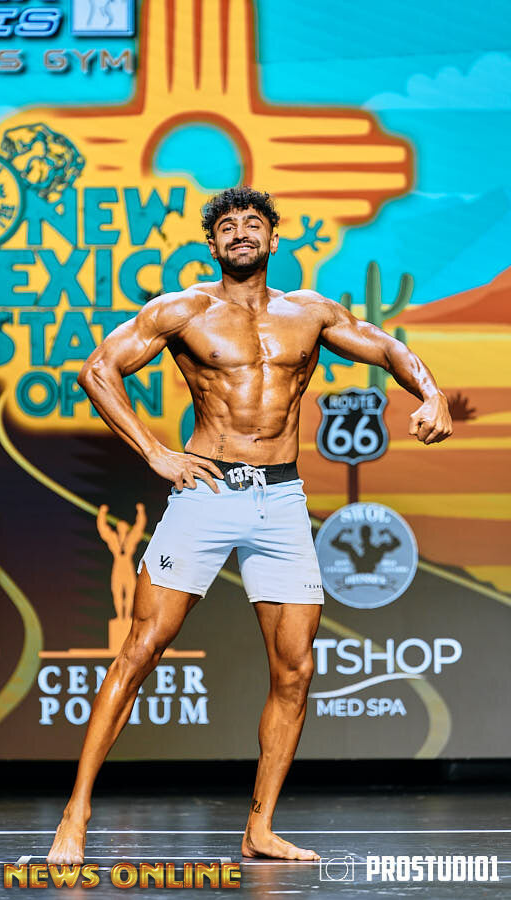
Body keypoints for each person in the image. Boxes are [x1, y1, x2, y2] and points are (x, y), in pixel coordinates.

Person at [47, 186, 452, 865]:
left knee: (295, 670)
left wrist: (432, 393)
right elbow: (99, 370)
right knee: (141, 649)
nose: (240, 233)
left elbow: (386, 348)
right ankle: (75, 813)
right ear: (212, 244)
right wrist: (155, 453)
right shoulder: (183, 310)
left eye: (252, 223)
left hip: (281, 501)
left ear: (272, 238)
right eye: (228, 226)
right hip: (206, 494)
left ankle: (260, 828)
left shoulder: (309, 313)